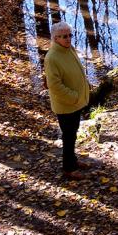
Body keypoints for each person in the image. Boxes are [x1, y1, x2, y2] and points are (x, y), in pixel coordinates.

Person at [44, 21, 90, 180]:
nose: (68, 38)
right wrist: (74, 97)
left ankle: (73, 160)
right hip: (66, 105)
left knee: (73, 133)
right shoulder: (52, 57)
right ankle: (68, 168)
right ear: (55, 38)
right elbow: (54, 85)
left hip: (76, 103)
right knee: (68, 136)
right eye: (64, 36)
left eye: (70, 35)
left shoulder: (69, 49)